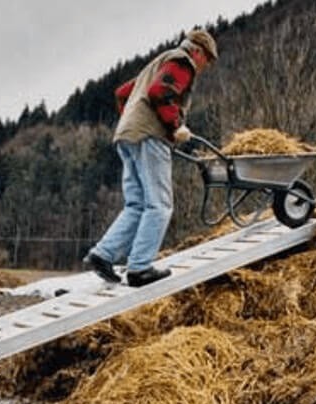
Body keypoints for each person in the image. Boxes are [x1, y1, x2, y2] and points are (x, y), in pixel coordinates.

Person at [83, 29, 218, 287]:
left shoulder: (158, 63)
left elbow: (123, 93)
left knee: (137, 204)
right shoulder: (182, 62)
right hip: (149, 138)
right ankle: (139, 268)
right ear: (198, 51)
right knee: (160, 205)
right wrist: (175, 125)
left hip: (127, 135)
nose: (206, 66)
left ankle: (103, 254)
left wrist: (136, 120)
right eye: (208, 60)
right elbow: (160, 93)